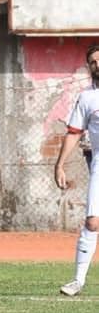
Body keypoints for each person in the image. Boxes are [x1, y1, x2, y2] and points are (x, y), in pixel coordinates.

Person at [54, 43, 99, 296]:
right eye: (93, 62)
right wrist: (60, 164)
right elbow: (74, 132)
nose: (98, 65)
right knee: (92, 222)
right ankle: (78, 281)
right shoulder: (87, 97)